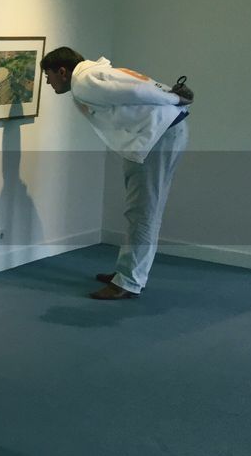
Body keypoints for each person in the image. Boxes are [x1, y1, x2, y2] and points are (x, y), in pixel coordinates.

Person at [41, 46, 194, 300]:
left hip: (159, 136)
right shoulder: (95, 72)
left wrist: (176, 98)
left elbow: (136, 89)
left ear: (62, 71)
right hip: (158, 134)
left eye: (48, 75)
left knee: (143, 211)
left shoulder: (84, 81)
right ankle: (128, 273)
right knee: (140, 210)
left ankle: (129, 281)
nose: (47, 82)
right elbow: (137, 84)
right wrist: (170, 93)